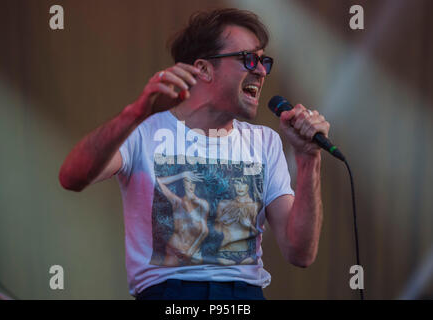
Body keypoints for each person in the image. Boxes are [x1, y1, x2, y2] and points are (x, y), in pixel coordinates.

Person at [59, 8, 329, 300]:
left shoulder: (265, 142)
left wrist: (308, 160)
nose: (261, 71)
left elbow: (300, 252)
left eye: (264, 61)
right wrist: (136, 112)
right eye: (249, 59)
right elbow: (71, 176)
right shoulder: (143, 130)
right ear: (203, 68)